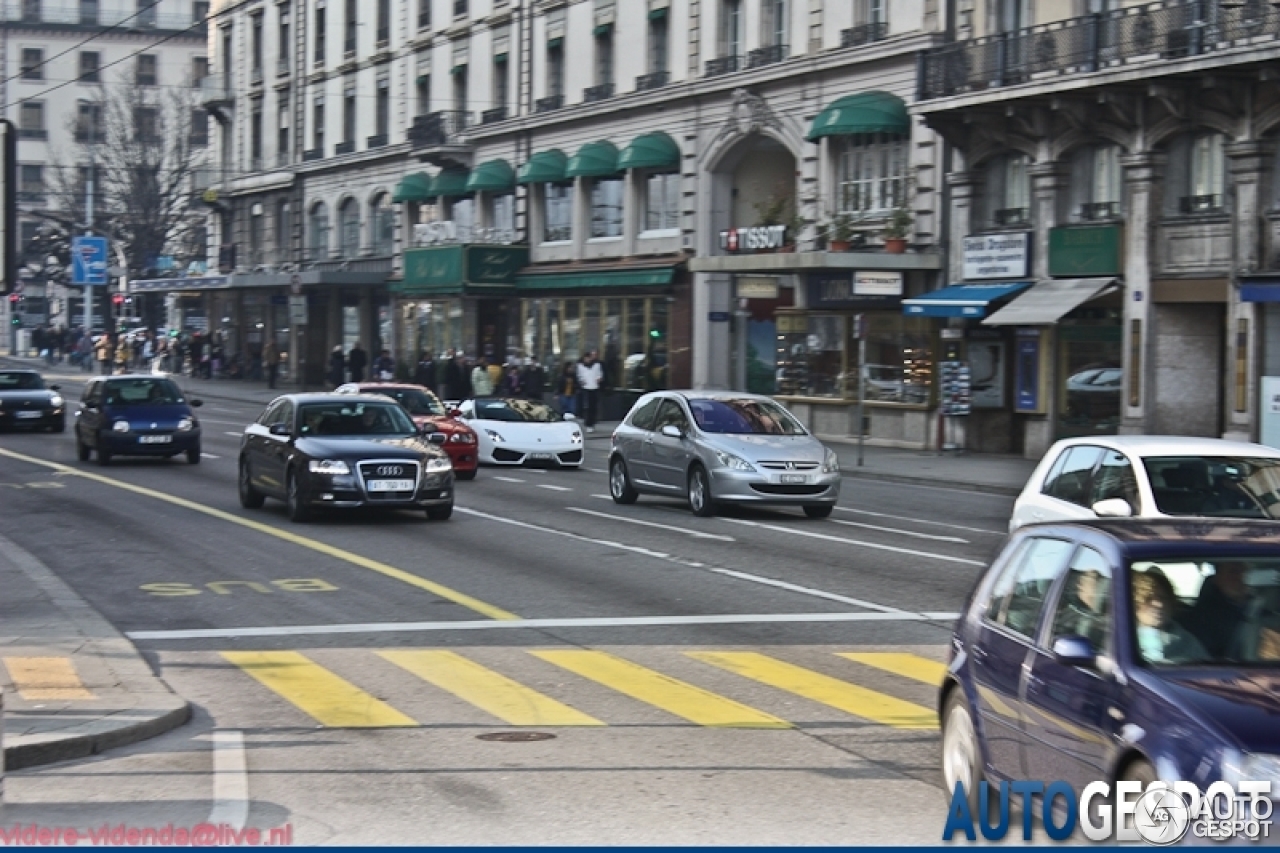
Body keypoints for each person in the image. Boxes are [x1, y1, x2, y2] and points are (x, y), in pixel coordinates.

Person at [1133, 571, 1208, 664]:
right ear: (1135, 604)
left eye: (1163, 598)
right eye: (1148, 598)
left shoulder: (1188, 642)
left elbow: (1207, 671)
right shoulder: (1121, 640)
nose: (1159, 604)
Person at [1182, 562, 1255, 658]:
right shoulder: (1204, 618)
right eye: (1233, 571)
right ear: (1218, 579)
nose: (1241, 577)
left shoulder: (1260, 609)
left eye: (1245, 572)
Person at [576, 351, 604, 432]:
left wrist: (599, 378)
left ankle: (591, 423)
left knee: (593, 407)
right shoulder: (580, 366)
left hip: (594, 387)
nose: (588, 360)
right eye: (586, 358)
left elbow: (599, 374)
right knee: (586, 406)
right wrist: (581, 381)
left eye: (589, 358)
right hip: (585, 388)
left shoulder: (597, 365)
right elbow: (579, 375)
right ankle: (587, 422)